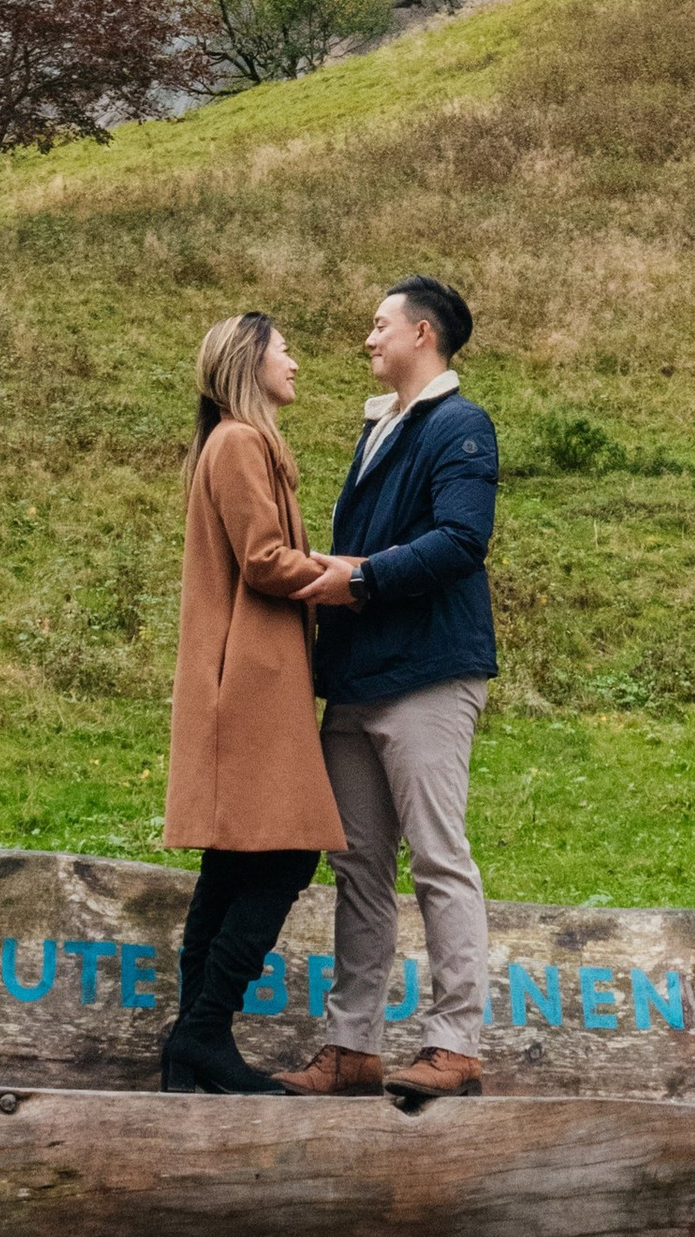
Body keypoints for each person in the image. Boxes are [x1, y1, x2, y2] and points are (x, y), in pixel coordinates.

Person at [284, 274, 498, 1100]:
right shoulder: (379, 427)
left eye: (380, 324)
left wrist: (360, 578)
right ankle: (353, 1047)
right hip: (359, 678)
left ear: (422, 333)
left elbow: (462, 539)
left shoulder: (460, 425)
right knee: (358, 866)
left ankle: (456, 1043)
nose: (368, 338)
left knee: (439, 856)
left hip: (429, 672)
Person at [159, 309, 347, 1094]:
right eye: (284, 350)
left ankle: (190, 1043)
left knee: (234, 859)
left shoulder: (234, 441)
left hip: (248, 676)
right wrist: (354, 580)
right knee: (287, 852)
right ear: (249, 361)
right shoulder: (239, 441)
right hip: (251, 682)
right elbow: (266, 560)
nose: (295, 362)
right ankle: (202, 1031)